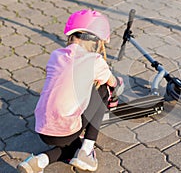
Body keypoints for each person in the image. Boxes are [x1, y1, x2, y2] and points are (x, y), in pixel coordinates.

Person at [17, 9, 124, 173]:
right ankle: (87, 150)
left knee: (70, 147)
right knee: (104, 89)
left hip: (43, 129)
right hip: (67, 130)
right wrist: (117, 84)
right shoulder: (95, 61)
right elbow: (113, 83)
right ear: (96, 42)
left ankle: (38, 161)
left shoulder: (55, 55)